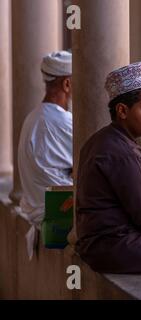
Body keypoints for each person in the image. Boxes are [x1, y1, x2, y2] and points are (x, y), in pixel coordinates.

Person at [75, 62, 141, 274]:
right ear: (122, 110)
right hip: (114, 245)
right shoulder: (122, 152)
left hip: (102, 243)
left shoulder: (102, 140)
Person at [18, 51, 73, 260]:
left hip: (38, 212)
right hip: (56, 216)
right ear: (67, 84)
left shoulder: (33, 118)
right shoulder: (61, 122)